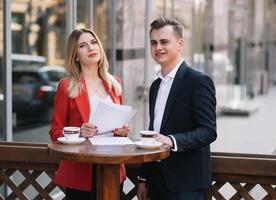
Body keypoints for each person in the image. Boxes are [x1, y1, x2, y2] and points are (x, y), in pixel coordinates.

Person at [137, 17, 217, 200]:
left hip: (185, 184)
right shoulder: (155, 86)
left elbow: (208, 131)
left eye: (164, 42)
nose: (158, 48)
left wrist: (171, 140)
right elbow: (154, 132)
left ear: (180, 43)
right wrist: (143, 178)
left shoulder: (198, 81)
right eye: (153, 43)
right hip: (155, 182)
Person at [49, 28, 129, 199]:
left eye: (93, 42)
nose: (91, 48)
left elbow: (118, 125)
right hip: (81, 170)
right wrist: (79, 131)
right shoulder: (66, 86)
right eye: (83, 45)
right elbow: (55, 133)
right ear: (76, 55)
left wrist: (121, 131)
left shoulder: (115, 83)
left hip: (112, 167)